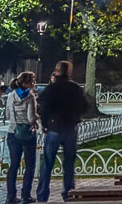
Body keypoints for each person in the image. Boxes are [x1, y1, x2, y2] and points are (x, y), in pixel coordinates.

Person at [35, 61, 87, 203]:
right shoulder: (74, 88)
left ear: (57, 71)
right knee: (69, 163)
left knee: (47, 163)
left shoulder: (52, 89)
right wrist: (75, 115)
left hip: (54, 127)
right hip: (69, 127)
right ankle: (68, 192)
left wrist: (45, 124)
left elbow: (43, 107)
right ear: (69, 72)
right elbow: (84, 105)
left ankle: (42, 194)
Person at [5, 72, 40, 204]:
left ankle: (10, 196)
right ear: (26, 83)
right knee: (30, 165)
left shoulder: (10, 96)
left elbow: (8, 115)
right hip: (27, 133)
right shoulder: (30, 96)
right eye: (33, 81)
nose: (34, 83)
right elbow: (31, 118)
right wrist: (37, 117)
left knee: (13, 165)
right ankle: (26, 196)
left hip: (12, 132)